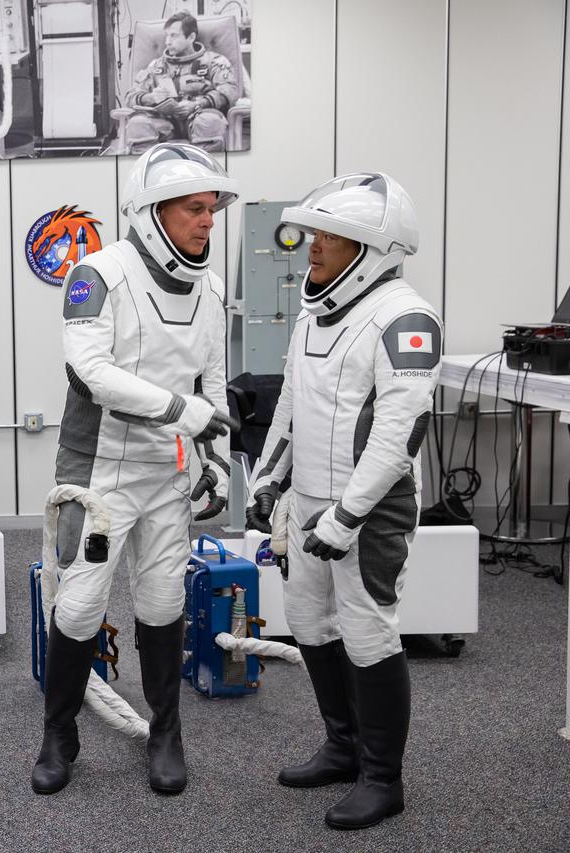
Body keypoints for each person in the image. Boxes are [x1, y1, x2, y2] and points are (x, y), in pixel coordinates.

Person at [32, 143, 238, 796]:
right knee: (82, 604)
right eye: (194, 208)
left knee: (162, 600)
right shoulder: (96, 273)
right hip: (100, 471)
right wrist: (186, 414)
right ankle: (58, 734)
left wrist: (220, 464)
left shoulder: (212, 287)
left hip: (169, 470)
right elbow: (90, 373)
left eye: (212, 209)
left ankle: (166, 733)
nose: (207, 221)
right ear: (152, 213)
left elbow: (214, 379)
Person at [246, 173, 440, 830]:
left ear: (370, 248)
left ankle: (384, 778)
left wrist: (349, 514)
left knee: (366, 630)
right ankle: (343, 745)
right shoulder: (315, 313)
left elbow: (399, 432)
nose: (312, 248)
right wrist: (267, 478)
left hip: (370, 511)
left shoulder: (406, 318)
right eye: (316, 234)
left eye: (330, 237)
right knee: (308, 621)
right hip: (307, 505)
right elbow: (292, 405)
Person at [121, 11, 238, 152]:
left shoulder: (214, 62)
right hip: (164, 122)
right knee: (138, 124)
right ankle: (151, 170)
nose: (167, 42)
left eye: (173, 36)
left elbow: (229, 92)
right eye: (167, 36)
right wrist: (150, 98)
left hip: (200, 117)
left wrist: (197, 104)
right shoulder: (157, 66)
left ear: (191, 37)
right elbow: (130, 96)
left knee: (209, 122)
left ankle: (201, 171)